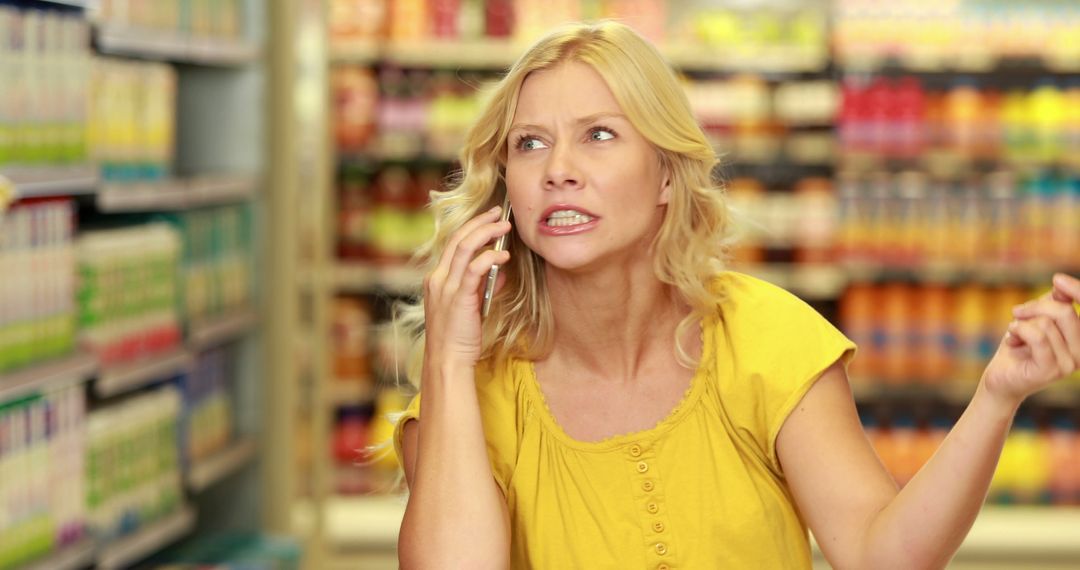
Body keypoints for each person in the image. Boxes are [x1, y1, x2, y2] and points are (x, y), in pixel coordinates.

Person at [390, 20, 1080, 569]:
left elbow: (882, 556)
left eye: (598, 135)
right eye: (530, 144)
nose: (559, 171)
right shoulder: (466, 395)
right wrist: (448, 361)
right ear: (504, 182)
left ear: (667, 174)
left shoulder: (765, 338)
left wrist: (997, 395)